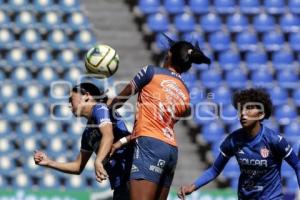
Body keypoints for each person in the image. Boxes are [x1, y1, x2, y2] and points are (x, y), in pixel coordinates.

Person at [108, 39, 211, 200]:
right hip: (170, 150)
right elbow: (160, 124)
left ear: (169, 55)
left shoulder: (150, 72)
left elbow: (119, 102)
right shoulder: (184, 91)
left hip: (149, 146)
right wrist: (122, 142)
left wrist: (106, 105)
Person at [178, 88, 300, 199]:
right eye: (241, 109)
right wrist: (193, 186)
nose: (243, 113)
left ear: (261, 114)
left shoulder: (274, 140)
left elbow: (297, 165)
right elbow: (215, 169)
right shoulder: (233, 140)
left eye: (249, 108)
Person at [34, 82, 132, 200]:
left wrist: (98, 160)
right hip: (119, 183)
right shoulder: (87, 134)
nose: (69, 105)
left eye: (71, 99)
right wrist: (49, 162)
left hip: (133, 173)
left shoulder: (100, 108)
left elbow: (108, 135)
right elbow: (77, 167)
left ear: (86, 96)